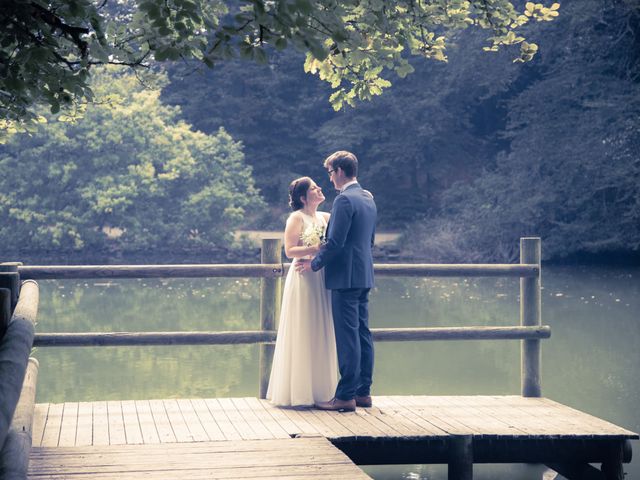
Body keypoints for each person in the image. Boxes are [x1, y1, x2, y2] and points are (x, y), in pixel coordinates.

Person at [296, 151, 377, 412]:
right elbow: (370, 241)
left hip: (345, 277)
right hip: (364, 274)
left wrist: (314, 264)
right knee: (363, 333)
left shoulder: (344, 201)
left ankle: (344, 397)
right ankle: (363, 392)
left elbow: (336, 243)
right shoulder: (368, 198)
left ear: (340, 171)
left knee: (348, 337)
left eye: (330, 172)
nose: (329, 179)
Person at [266, 177, 338, 406]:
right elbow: (289, 251)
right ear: (303, 197)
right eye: (314, 188)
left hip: (320, 277)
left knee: (320, 328)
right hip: (303, 277)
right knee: (303, 326)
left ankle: (320, 392)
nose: (319, 189)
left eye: (318, 186)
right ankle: (299, 393)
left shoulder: (325, 217)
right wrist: (316, 248)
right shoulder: (296, 218)